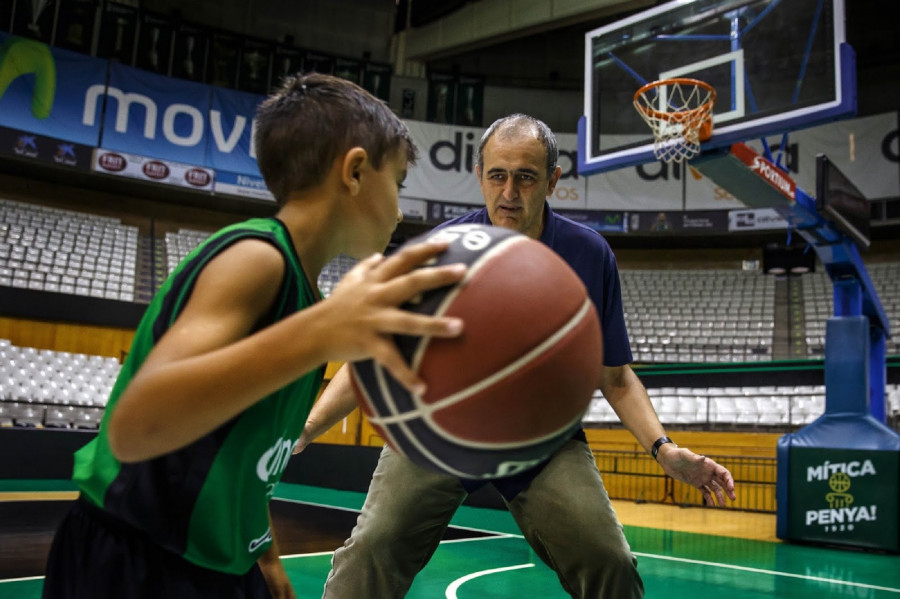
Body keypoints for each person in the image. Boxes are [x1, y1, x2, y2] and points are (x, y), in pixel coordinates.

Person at [40, 73, 468, 599]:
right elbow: (135, 425)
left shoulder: (305, 297)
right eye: (397, 183)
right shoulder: (256, 259)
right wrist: (320, 335)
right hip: (138, 556)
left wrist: (263, 553)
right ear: (355, 171)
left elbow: (246, 451)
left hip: (224, 561)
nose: (401, 210)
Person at [298, 113, 737, 599]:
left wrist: (664, 449)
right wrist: (309, 426)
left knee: (608, 561)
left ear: (552, 181)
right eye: (498, 175)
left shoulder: (588, 256)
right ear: (480, 175)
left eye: (526, 177)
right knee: (372, 550)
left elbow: (615, 378)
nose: (509, 192)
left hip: (542, 439)